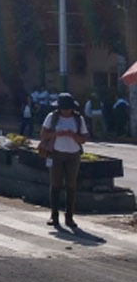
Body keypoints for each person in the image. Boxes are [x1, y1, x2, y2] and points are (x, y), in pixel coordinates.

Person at [40, 93, 89, 228]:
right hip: (56, 153)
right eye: (63, 108)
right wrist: (58, 134)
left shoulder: (78, 119)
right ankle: (54, 216)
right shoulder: (52, 117)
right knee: (55, 185)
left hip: (73, 155)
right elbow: (43, 134)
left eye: (68, 109)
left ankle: (69, 217)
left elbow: (83, 139)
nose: (65, 111)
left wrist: (73, 135)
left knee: (71, 186)